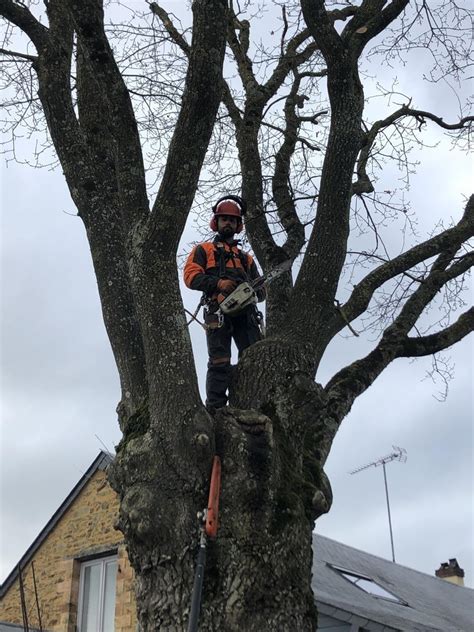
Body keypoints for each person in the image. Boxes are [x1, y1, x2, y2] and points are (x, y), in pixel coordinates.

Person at [184, 195, 266, 410]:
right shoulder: (203, 250)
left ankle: (252, 404)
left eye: (232, 219)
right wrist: (218, 284)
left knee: (253, 358)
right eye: (224, 219)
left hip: (246, 312)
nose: (228, 223)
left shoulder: (246, 258)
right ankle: (216, 409)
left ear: (238, 224)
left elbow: (262, 291)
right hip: (217, 310)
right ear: (216, 222)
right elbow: (191, 277)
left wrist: (251, 290)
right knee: (219, 361)